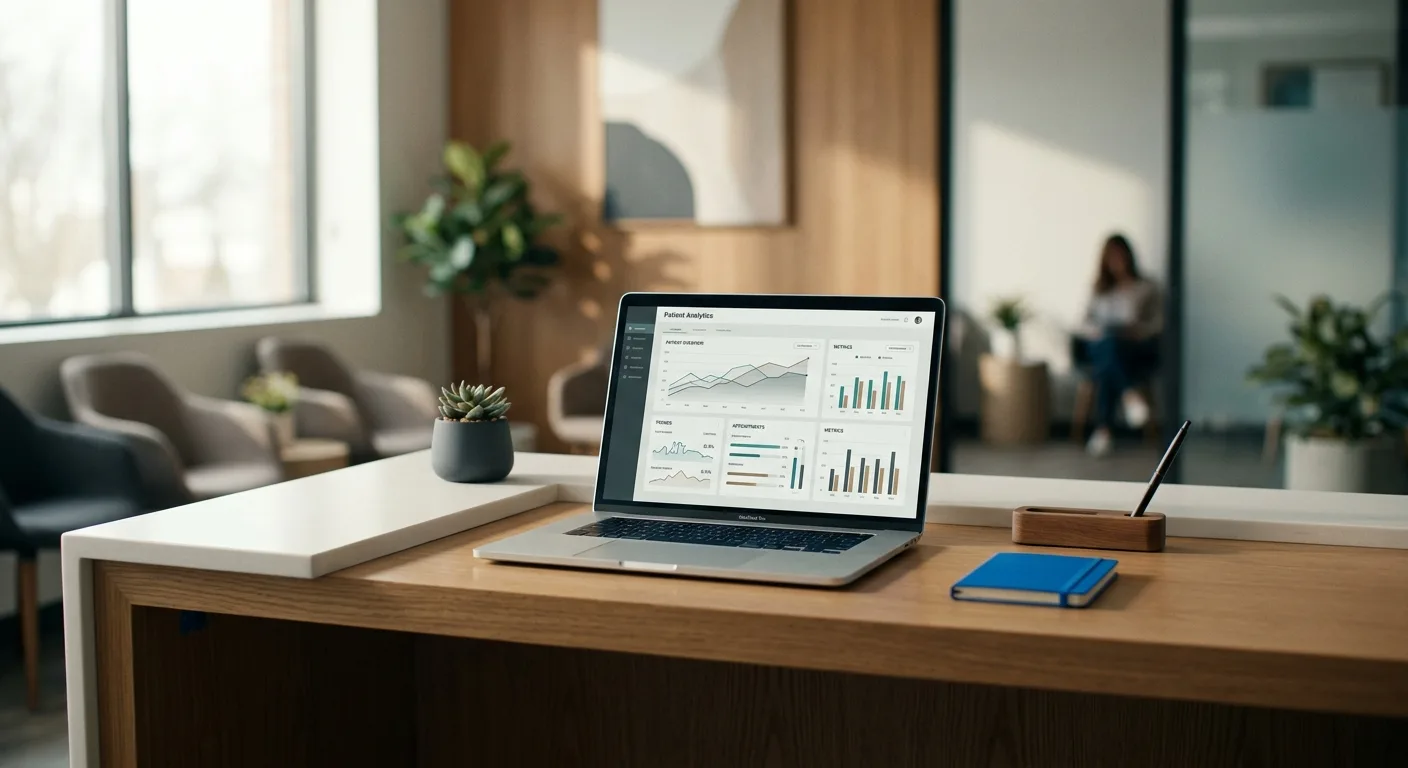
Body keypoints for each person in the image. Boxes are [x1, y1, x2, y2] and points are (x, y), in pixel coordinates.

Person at [1078, 234, 1162, 457]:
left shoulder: (1146, 287)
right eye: (1112, 257)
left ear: (1129, 256)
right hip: (1101, 343)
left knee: (1108, 360)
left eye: (1120, 256)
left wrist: (1139, 331)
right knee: (1107, 344)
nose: (1117, 261)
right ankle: (1130, 395)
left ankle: (1103, 431)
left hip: (1132, 347)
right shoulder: (1099, 289)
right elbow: (1084, 322)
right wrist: (1096, 331)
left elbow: (1159, 323)